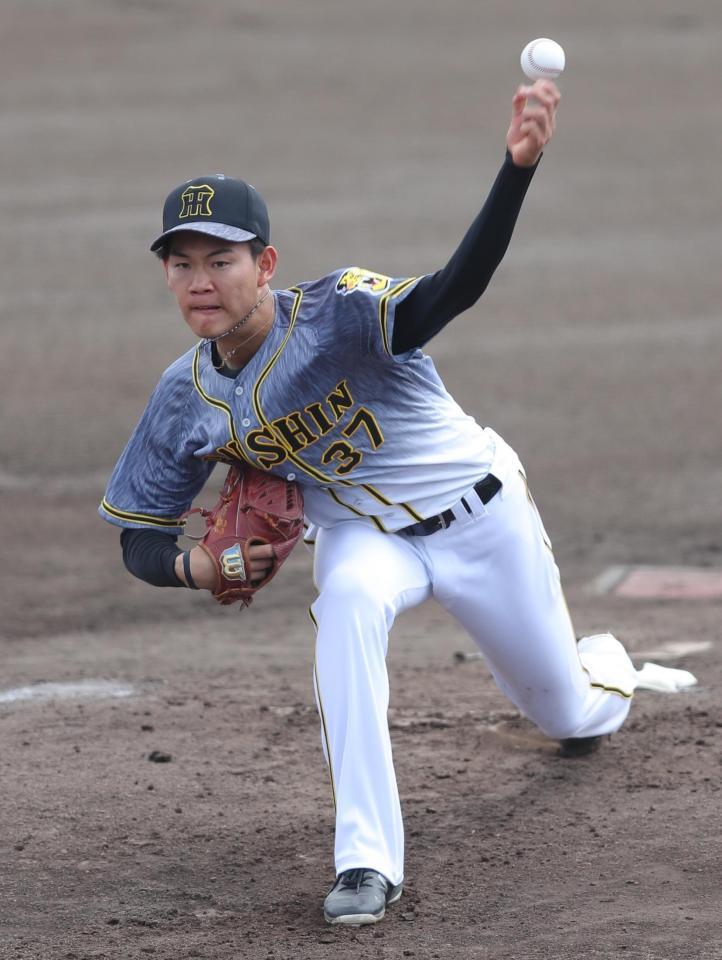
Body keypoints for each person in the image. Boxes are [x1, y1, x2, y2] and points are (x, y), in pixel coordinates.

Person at [99, 79, 641, 925]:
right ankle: (366, 862)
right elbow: (138, 534)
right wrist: (192, 566)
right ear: (166, 275)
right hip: (362, 539)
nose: (200, 280)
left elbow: (454, 289)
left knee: (568, 711)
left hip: (481, 515)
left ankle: (606, 665)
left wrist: (517, 169)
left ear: (265, 265)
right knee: (344, 602)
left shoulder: (341, 312)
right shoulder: (183, 398)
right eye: (182, 263)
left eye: (221, 259)